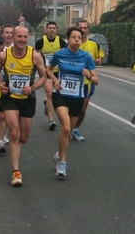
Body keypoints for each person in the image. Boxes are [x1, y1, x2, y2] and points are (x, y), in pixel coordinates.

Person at [0, 26, 47, 187]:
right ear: (13, 37)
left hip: (27, 99)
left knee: (23, 137)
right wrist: (0, 84)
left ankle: (14, 136)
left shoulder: (35, 56)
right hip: (10, 98)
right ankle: (16, 172)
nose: (23, 39)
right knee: (15, 134)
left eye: (25, 37)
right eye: (19, 37)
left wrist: (33, 87)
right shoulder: (4, 55)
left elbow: (44, 77)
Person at [47, 27, 99, 177]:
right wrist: (55, 80)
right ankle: (62, 162)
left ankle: (58, 154)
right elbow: (49, 69)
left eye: (79, 38)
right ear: (68, 39)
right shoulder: (60, 54)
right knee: (66, 127)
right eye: (74, 37)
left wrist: (89, 76)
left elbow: (96, 80)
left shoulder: (86, 57)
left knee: (68, 133)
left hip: (77, 97)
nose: (77, 40)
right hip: (61, 95)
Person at [71, 19, 105, 141]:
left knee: (83, 108)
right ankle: (68, 127)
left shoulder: (94, 44)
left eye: (85, 28)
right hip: (73, 80)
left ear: (88, 30)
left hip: (87, 82)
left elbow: (99, 57)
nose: (83, 30)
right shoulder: (71, 44)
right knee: (72, 107)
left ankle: (74, 128)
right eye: (81, 27)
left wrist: (98, 61)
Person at [35, 21, 66, 130]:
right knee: (50, 93)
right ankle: (51, 120)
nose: (52, 30)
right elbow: (34, 55)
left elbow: (67, 54)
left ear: (56, 30)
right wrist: (39, 67)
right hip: (46, 72)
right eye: (50, 28)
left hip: (58, 72)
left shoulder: (61, 42)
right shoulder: (40, 42)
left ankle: (47, 104)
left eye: (54, 28)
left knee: (56, 95)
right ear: (46, 30)